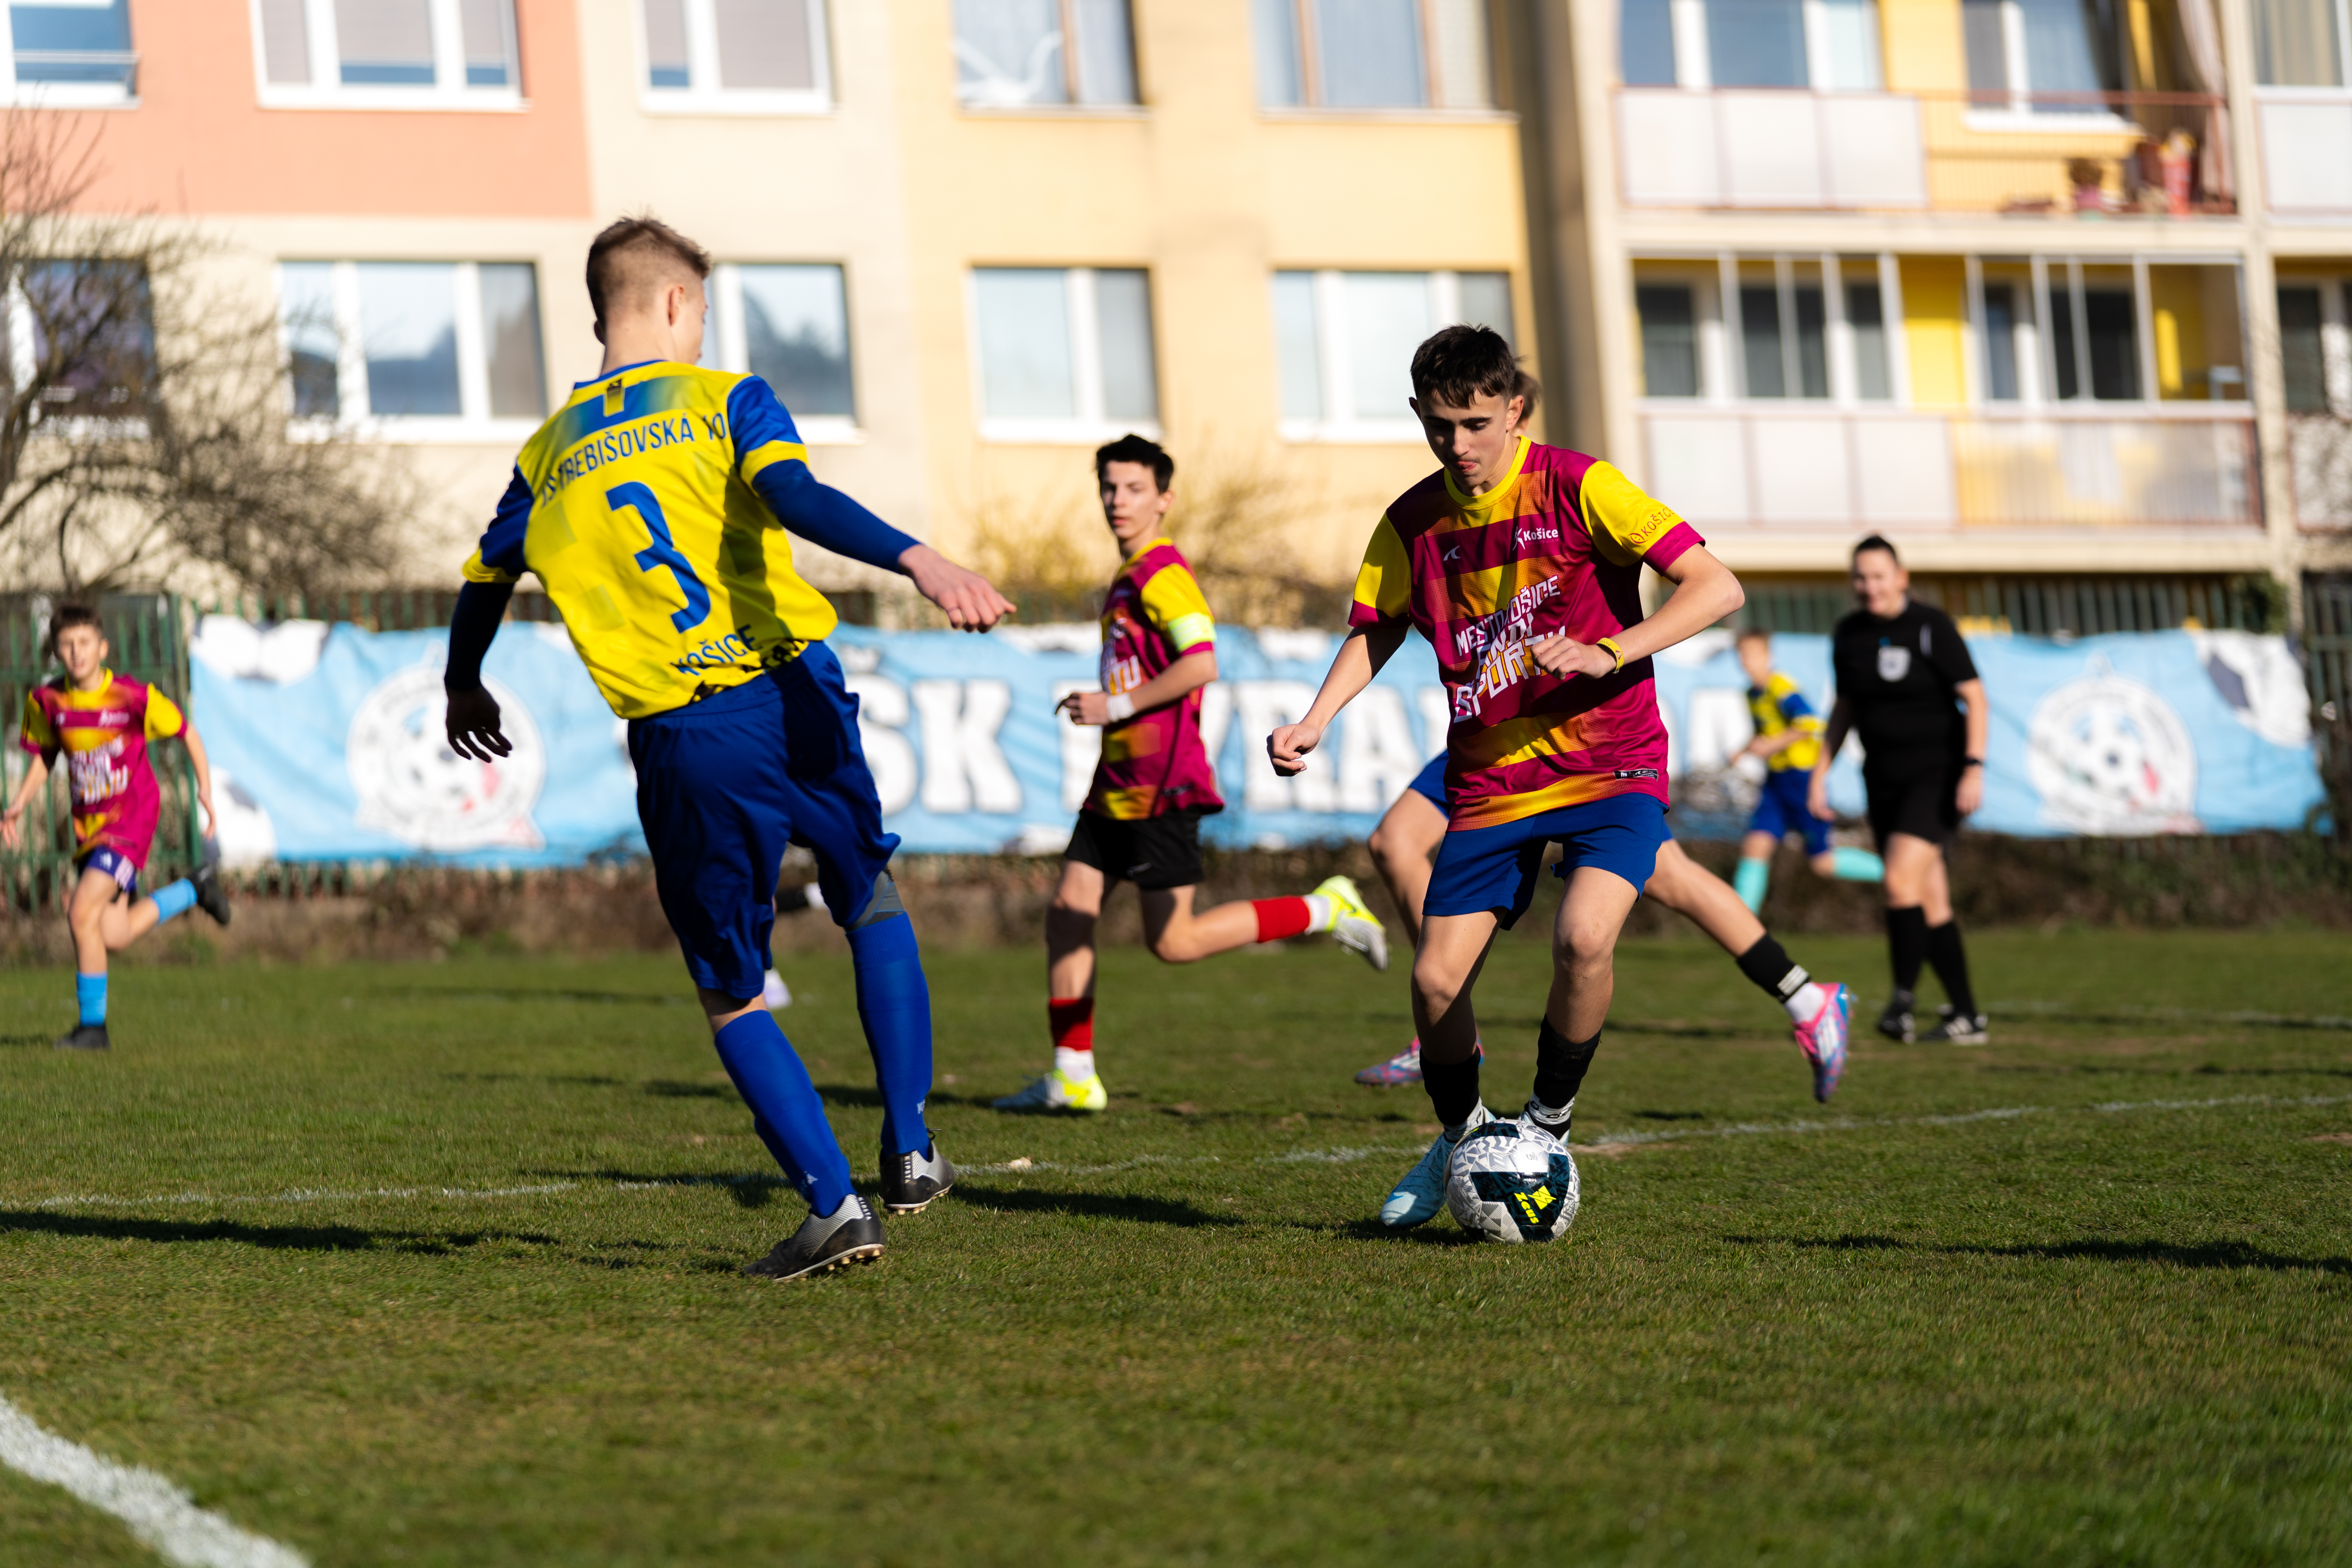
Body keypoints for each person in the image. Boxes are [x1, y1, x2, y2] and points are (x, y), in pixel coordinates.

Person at [443, 216, 1016, 1282]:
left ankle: (834, 1207)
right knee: (868, 892)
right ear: (669, 304)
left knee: (731, 988)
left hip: (687, 731)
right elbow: (791, 496)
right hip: (794, 685)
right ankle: (911, 1148)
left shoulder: (546, 454)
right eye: (701, 310)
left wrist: (461, 679)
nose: (704, 330)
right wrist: (917, 559)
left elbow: (484, 578)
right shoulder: (724, 401)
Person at [1269, 325, 1745, 1230]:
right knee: (1437, 983)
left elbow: (1716, 587)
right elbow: (1379, 626)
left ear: (1515, 408)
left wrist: (1613, 649)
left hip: (1613, 762)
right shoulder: (1412, 520)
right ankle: (1465, 1137)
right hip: (1491, 779)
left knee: (1582, 940)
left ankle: (1549, 1125)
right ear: (1419, 417)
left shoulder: (1581, 484)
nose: (1459, 446)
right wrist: (1317, 717)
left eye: (1477, 423)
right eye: (1440, 426)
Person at [996, 434, 1389, 1114]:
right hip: (1116, 784)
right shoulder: (1126, 577)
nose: (1119, 501)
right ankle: (1072, 1074)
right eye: (1110, 489)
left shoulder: (1161, 572)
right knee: (1067, 915)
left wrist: (1112, 705)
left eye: (1134, 489)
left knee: (1174, 943)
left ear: (1164, 500)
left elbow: (1201, 664)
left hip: (1162, 786)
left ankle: (1325, 908)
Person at [1354, 750, 1850, 1102]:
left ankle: (1807, 998)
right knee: (1394, 842)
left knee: (1667, 876)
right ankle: (1450, 1028)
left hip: (1577, 734)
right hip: (1496, 726)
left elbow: (1714, 596)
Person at [1, 604, 230, 1051]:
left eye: (84, 642)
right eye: (67, 644)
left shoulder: (133, 697)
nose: (76, 652)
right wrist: (18, 804)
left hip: (132, 821)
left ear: (102, 647)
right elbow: (46, 756)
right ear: (57, 651)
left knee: (80, 912)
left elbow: (188, 732)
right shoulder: (48, 702)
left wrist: (204, 788)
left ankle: (93, 1029)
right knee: (113, 935)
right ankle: (195, 889)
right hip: (93, 828)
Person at [1808, 535, 1989, 1046]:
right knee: (1932, 902)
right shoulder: (1848, 634)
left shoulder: (1932, 627)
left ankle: (1902, 1002)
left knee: (1897, 881)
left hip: (1937, 778)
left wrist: (1973, 768)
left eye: (1879, 576)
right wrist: (1820, 774)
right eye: (1861, 578)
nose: (1870, 587)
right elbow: (1845, 709)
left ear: (1901, 577)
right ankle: (1968, 1018)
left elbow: (1975, 699)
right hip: (1882, 782)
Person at [1732, 627, 1883, 911]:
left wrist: (1773, 745)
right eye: (1741, 655)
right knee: (1754, 848)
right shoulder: (1752, 693)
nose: (1746, 661)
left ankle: (1896, 872)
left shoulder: (1781, 688)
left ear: (1768, 656)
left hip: (1801, 781)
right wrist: (1743, 750)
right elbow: (1766, 733)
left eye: (1752, 654)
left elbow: (1809, 723)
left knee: (1822, 864)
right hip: (1776, 783)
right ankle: (1739, 922)